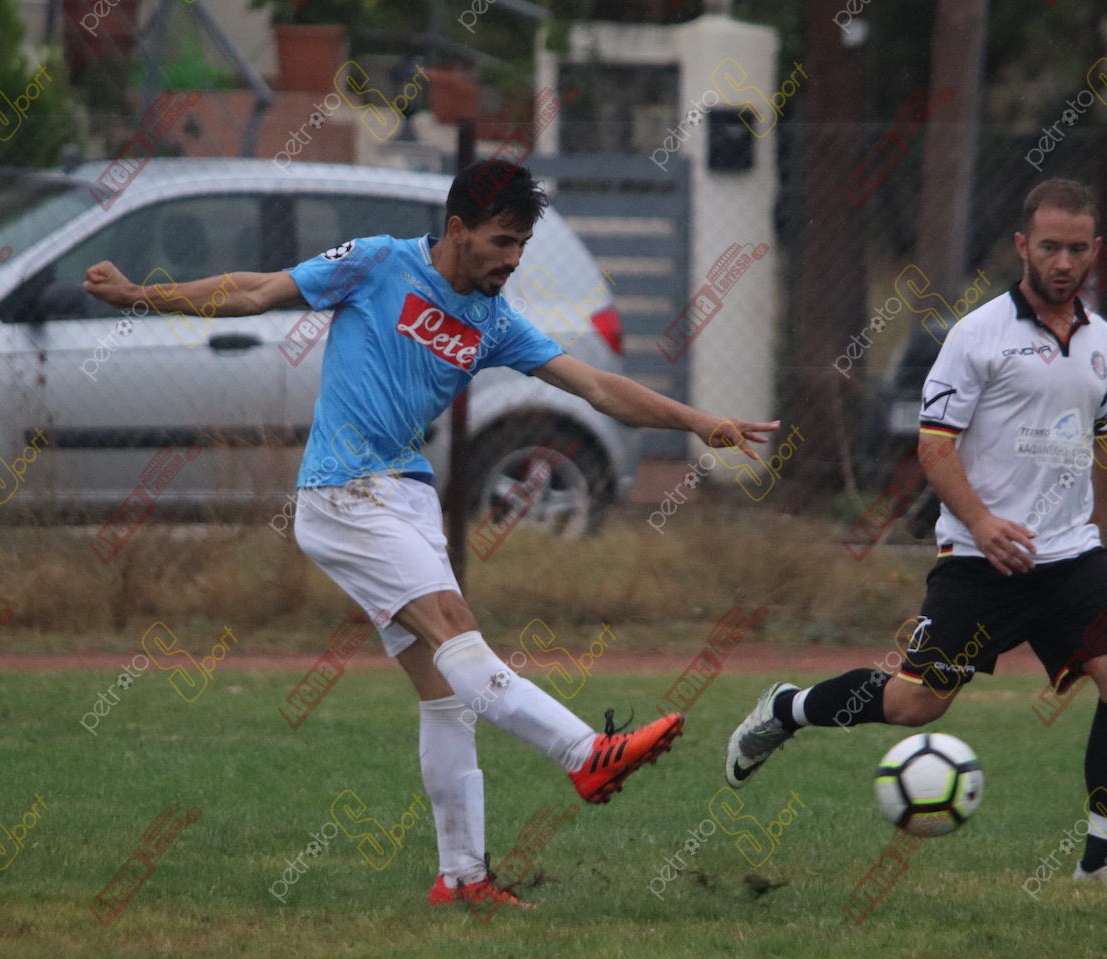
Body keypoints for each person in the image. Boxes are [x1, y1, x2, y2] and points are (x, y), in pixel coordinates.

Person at [85, 159, 777, 908]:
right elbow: (256, 291)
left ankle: (463, 878)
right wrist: (138, 295)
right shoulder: (376, 263)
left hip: (405, 497)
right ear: (457, 230)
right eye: (502, 242)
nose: (513, 260)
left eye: (522, 246)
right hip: (344, 493)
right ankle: (585, 752)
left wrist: (699, 421)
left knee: (445, 692)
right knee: (457, 632)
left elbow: (598, 387)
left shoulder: (493, 322)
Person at [722, 179, 1107, 884]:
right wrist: (982, 524)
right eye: (1050, 246)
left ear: (1095, 252)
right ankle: (788, 708)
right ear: (1022, 246)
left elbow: (1100, 438)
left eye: (1078, 249)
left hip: (1070, 555)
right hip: (981, 560)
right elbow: (934, 447)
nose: (1063, 262)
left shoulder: (1104, 340)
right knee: (914, 703)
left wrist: (1098, 531)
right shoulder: (977, 335)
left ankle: (1100, 860)